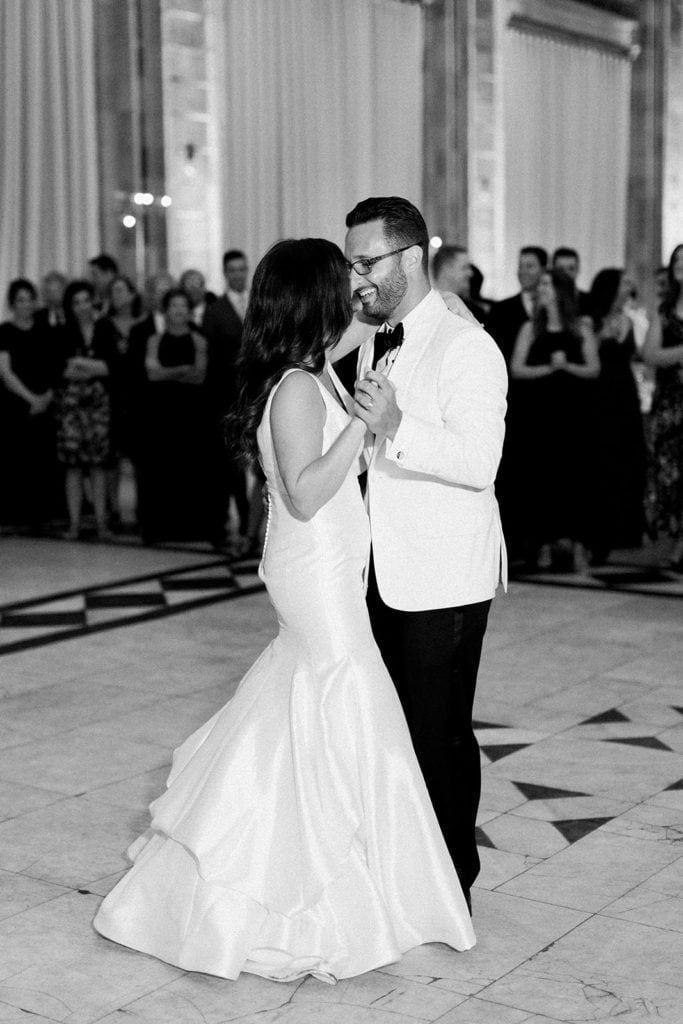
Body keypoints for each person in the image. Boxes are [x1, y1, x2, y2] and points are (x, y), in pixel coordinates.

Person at [93, 237, 475, 981]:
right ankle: (322, 888)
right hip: (315, 569)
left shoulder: (312, 374)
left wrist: (441, 309)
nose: (357, 292)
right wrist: (366, 425)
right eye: (346, 281)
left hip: (326, 562)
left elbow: (382, 329)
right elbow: (303, 488)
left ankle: (336, 869)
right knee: (344, 694)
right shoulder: (300, 386)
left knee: (310, 704)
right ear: (316, 297)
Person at [342, 196, 507, 912]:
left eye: (367, 261)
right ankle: (402, 868)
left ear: (411, 258)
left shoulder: (467, 345)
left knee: (438, 733)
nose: (356, 277)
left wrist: (398, 425)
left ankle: (451, 883)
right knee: (391, 727)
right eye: (351, 262)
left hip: (442, 575)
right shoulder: (377, 336)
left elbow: (479, 461)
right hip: (383, 566)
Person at [510, 267, 599, 571]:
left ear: (561, 290)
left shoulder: (580, 329)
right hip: (541, 416)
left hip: (574, 416)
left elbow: (593, 369)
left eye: (548, 284)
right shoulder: (530, 329)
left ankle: (577, 544)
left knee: (575, 479)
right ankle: (544, 544)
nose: (541, 289)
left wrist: (568, 366)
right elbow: (517, 368)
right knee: (544, 478)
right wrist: (550, 368)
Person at [137, 288, 214, 544]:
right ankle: (161, 527)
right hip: (161, 415)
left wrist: (168, 372)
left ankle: (192, 527)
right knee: (162, 470)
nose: (179, 311)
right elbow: (151, 373)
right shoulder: (154, 340)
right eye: (174, 306)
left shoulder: (199, 340)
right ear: (165, 310)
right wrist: (181, 369)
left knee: (189, 470)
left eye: (183, 306)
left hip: (190, 415)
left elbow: (199, 375)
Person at [587, 268, 647, 563]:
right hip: (601, 397)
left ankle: (628, 531)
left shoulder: (630, 319)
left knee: (630, 458)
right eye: (624, 282)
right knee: (604, 461)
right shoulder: (592, 319)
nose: (630, 285)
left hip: (626, 396)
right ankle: (602, 534)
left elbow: (636, 357)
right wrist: (600, 336)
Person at [56, 279, 120, 539]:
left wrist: (81, 364)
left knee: (98, 464)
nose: (82, 307)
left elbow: (110, 367)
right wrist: (91, 366)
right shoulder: (62, 331)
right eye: (76, 302)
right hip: (71, 405)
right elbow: (63, 369)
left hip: (99, 404)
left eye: (86, 301)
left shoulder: (105, 328)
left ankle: (102, 523)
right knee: (73, 465)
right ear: (70, 306)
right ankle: (74, 523)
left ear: (93, 301)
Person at [0, 279, 63, 530]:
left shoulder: (44, 330)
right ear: (12, 304)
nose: (25, 305)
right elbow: (5, 372)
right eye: (20, 300)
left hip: (45, 403)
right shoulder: (4, 331)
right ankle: (15, 514)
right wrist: (30, 398)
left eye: (29, 299)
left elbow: (55, 367)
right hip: (15, 405)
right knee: (16, 460)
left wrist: (46, 397)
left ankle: (44, 514)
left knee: (43, 460)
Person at [202, 249, 252, 552]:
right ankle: (232, 526)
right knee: (229, 468)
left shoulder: (258, 305)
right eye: (232, 270)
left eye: (242, 269)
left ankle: (252, 527)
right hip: (226, 399)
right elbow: (212, 360)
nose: (238, 274)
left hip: (254, 396)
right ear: (225, 273)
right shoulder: (215, 311)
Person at [643, 243, 683, 570]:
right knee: (669, 472)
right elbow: (651, 355)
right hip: (670, 404)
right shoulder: (664, 309)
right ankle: (674, 540)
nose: (680, 265)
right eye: (676, 261)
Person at [551, 247, 591, 317]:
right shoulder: (546, 301)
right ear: (553, 271)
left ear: (578, 270)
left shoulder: (590, 301)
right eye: (561, 269)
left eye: (571, 269)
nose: (566, 273)